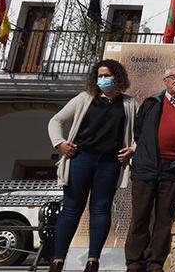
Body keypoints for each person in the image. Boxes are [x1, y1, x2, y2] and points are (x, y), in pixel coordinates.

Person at [47, 59, 138, 272]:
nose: (103, 79)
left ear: (117, 77)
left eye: (107, 75)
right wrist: (60, 143)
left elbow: (140, 133)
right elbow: (56, 120)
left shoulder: (129, 103)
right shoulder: (84, 98)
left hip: (109, 162)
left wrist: (132, 148)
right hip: (81, 158)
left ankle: (93, 260)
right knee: (71, 208)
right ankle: (58, 259)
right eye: (100, 76)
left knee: (101, 209)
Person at [126, 65, 175, 272]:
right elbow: (139, 131)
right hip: (147, 166)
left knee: (164, 218)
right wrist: (146, 154)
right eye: (174, 76)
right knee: (140, 216)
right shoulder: (151, 103)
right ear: (165, 80)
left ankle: (155, 263)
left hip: (174, 169)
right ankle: (134, 262)